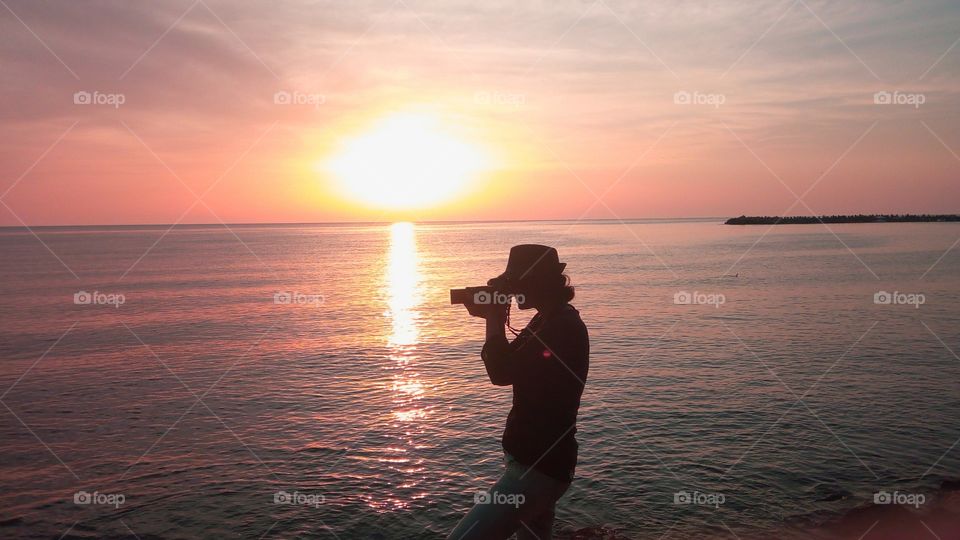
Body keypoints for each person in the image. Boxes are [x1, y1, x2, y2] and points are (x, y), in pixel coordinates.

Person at [448, 245, 590, 540]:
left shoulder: (561, 327)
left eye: (515, 282)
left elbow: (500, 373)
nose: (511, 290)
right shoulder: (549, 320)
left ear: (536, 282)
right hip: (541, 465)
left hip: (536, 470)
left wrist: (494, 317)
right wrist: (493, 315)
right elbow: (507, 363)